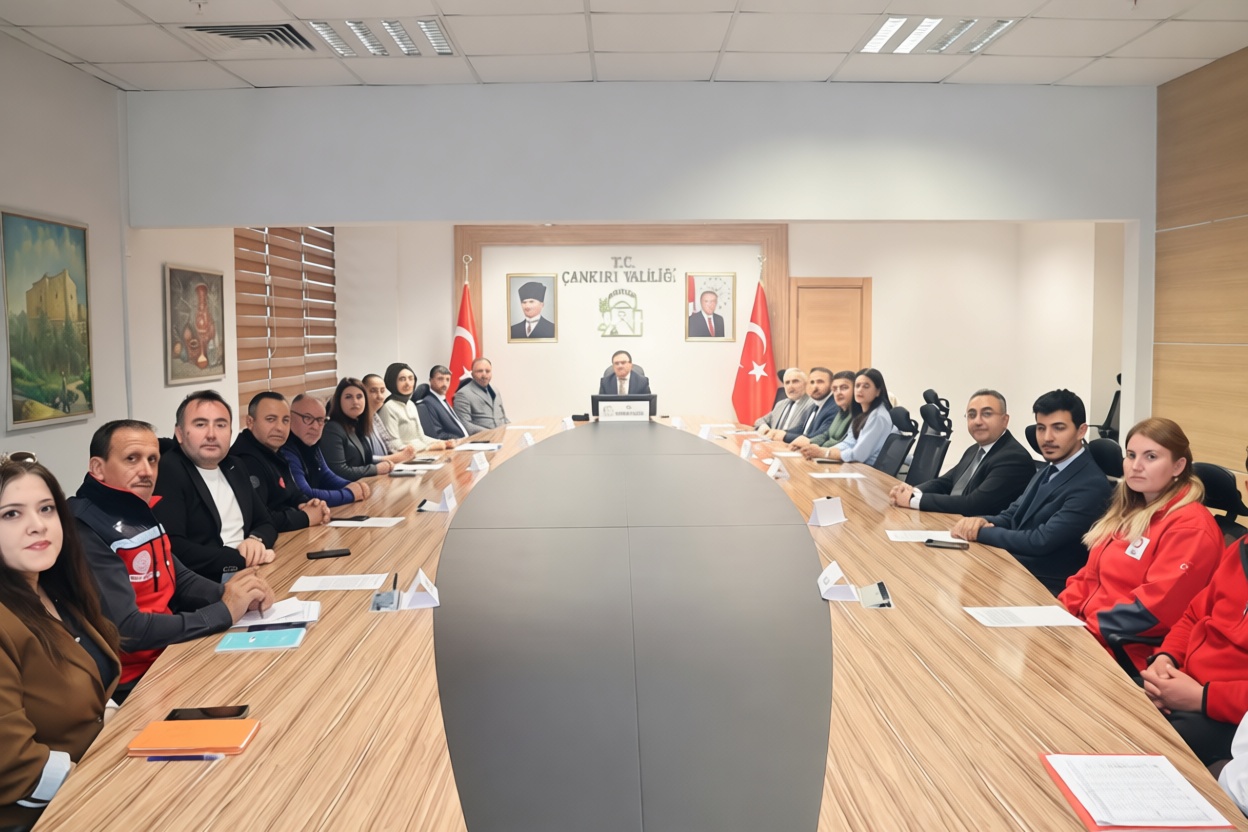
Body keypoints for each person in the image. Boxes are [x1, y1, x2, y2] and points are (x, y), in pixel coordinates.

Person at [71, 420, 276, 700]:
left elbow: (178, 576)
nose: (146, 471)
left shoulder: (134, 506)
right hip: (131, 683)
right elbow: (128, 630)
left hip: (170, 654)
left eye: (152, 460)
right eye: (132, 459)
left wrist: (233, 595)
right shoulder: (85, 529)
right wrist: (222, 612)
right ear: (98, 468)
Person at [0, 455, 120, 828]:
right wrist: (107, 781)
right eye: (11, 514)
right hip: (47, 813)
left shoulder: (53, 590)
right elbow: (15, 766)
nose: (38, 525)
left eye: (46, 509)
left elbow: (92, 686)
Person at [1058, 418, 1221, 673]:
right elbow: (1089, 576)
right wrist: (1060, 611)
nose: (1136, 466)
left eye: (1151, 457)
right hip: (1087, 633)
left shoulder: (1191, 527)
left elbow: (1154, 610)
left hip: (1127, 653)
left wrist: (1085, 629)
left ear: (1178, 466)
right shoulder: (1131, 509)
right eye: (1131, 455)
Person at [950, 389, 1113, 594]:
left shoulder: (1090, 485)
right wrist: (979, 521)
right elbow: (1012, 515)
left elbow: (1040, 541)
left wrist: (981, 532)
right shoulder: (1050, 468)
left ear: (1081, 431)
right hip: (1018, 572)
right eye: (1041, 428)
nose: (1047, 438)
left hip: (1047, 587)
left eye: (1058, 428)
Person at [1142, 531, 1248, 769]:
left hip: (1231, 717)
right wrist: (1166, 658)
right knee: (1111, 699)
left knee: (1145, 745)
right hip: (1185, 683)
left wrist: (1203, 698)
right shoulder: (1241, 548)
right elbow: (1194, 615)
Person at [152, 390, 277, 582]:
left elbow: (265, 521)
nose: (211, 434)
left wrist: (255, 540)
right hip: (207, 583)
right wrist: (239, 559)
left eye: (220, 425)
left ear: (230, 432)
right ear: (179, 434)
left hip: (253, 569)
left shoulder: (235, 465)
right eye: (200, 424)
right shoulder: (169, 470)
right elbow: (174, 547)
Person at [887, 389, 1034, 516]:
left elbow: (974, 505)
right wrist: (913, 491)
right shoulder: (974, 450)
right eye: (972, 415)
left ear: (1005, 420)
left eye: (987, 414)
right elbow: (946, 482)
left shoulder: (1013, 458)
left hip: (982, 535)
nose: (977, 421)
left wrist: (913, 500)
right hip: (956, 523)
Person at [230, 392, 331, 532]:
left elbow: (292, 492)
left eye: (285, 420)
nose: (280, 427)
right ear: (250, 422)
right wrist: (306, 517)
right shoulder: (245, 460)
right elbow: (258, 519)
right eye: (271, 419)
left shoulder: (273, 451)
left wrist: (307, 503)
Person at [283, 394, 370, 507]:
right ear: (290, 417)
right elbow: (304, 494)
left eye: (320, 420)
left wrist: (354, 486)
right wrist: (350, 494)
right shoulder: (285, 450)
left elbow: (325, 476)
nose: (315, 427)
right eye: (307, 418)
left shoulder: (310, 444)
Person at [322, 377, 415, 480]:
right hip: (348, 487)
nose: (355, 401)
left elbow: (365, 459)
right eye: (348, 397)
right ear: (339, 401)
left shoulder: (357, 423)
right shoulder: (333, 429)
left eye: (359, 396)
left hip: (365, 482)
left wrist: (387, 463)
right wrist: (376, 469)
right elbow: (339, 471)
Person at [818, 368, 897, 466]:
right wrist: (824, 451)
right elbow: (849, 443)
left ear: (878, 391)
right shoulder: (861, 414)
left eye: (866, 386)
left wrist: (826, 454)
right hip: (859, 467)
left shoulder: (878, 417)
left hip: (871, 471)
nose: (860, 390)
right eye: (857, 386)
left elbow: (859, 455)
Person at [378, 362, 453, 453]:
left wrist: (443, 443)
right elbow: (394, 446)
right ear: (393, 382)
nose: (408, 383)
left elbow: (421, 437)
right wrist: (428, 448)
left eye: (411, 378)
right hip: (405, 458)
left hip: (420, 454)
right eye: (402, 379)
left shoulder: (411, 404)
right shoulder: (389, 407)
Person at [764, 367, 837, 443]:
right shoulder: (817, 404)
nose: (815, 386)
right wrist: (779, 433)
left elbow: (818, 437)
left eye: (820, 382)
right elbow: (802, 429)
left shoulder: (833, 407)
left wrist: (785, 436)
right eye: (812, 382)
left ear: (832, 384)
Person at [797, 370, 856, 457]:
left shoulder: (858, 415)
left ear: (856, 390)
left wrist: (822, 451)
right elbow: (826, 435)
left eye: (844, 388)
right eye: (835, 389)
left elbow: (845, 444)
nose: (838, 392)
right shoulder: (841, 412)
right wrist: (809, 443)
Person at [455, 357, 511, 433]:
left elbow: (503, 418)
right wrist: (492, 433)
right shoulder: (463, 394)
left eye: (487, 371)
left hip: (502, 435)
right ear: (472, 374)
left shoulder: (495, 390)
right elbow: (465, 424)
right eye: (480, 371)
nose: (484, 375)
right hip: (483, 438)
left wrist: (514, 428)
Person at [422, 365, 471, 442]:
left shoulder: (442, 399)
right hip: (454, 445)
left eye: (447, 379)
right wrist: (459, 439)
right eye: (440, 379)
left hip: (465, 442)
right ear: (430, 380)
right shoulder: (428, 402)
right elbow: (438, 433)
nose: (445, 384)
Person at [753, 369, 810, 433]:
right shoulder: (780, 404)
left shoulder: (812, 405)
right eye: (787, 383)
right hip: (771, 439)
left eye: (795, 381)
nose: (790, 386)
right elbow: (760, 421)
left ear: (805, 384)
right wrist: (765, 428)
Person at [363, 373, 397, 459]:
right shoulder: (359, 419)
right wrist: (396, 457)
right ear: (362, 392)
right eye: (373, 391)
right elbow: (364, 458)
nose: (380, 396)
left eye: (382, 391)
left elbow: (389, 446)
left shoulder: (375, 416)